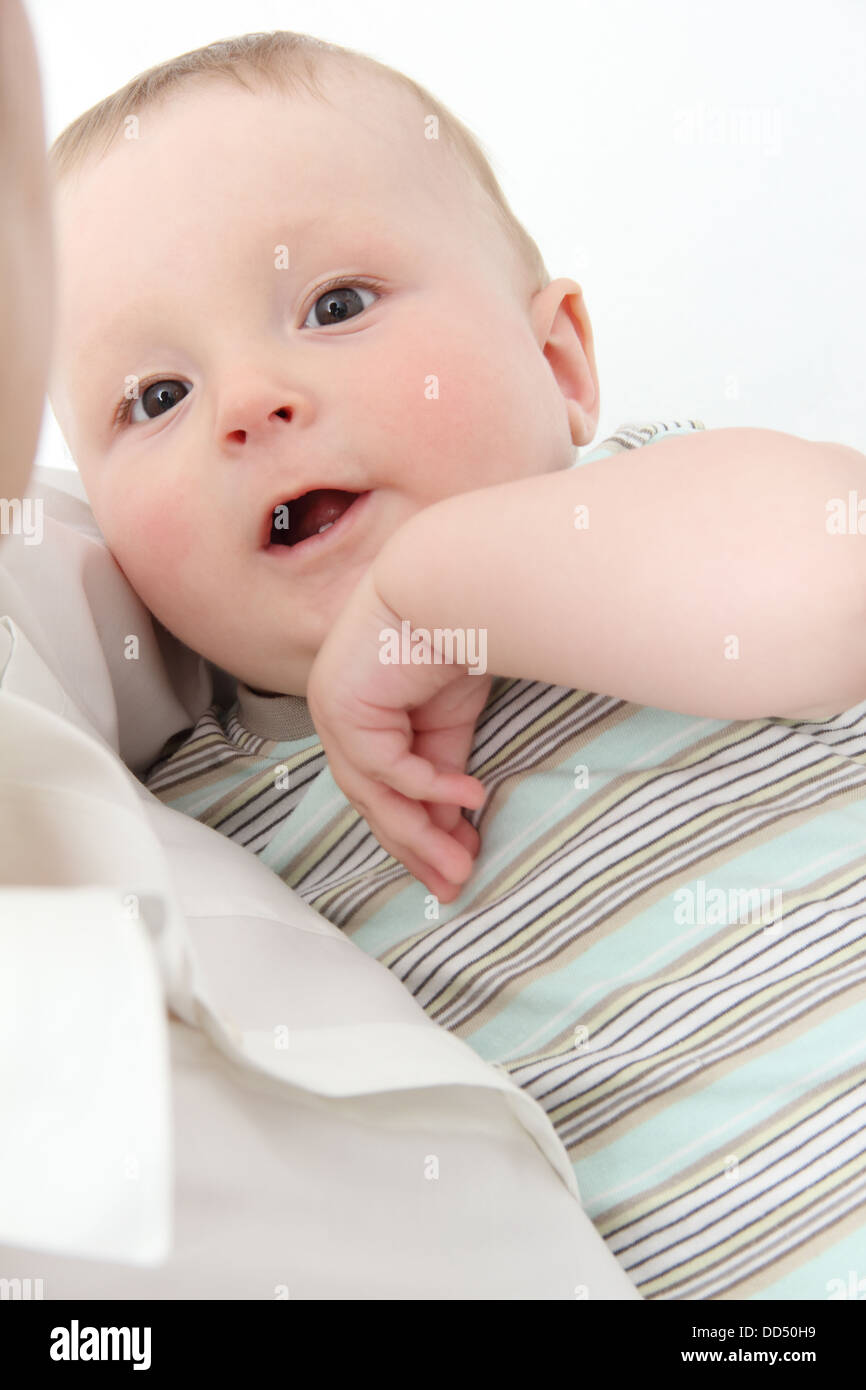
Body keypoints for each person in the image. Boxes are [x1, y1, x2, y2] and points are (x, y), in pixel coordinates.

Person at [46, 29, 866, 1299]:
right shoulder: (204, 821)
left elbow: (837, 565)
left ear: (558, 365)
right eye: (154, 397)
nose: (247, 404)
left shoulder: (652, 506)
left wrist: (441, 595)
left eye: (334, 306)